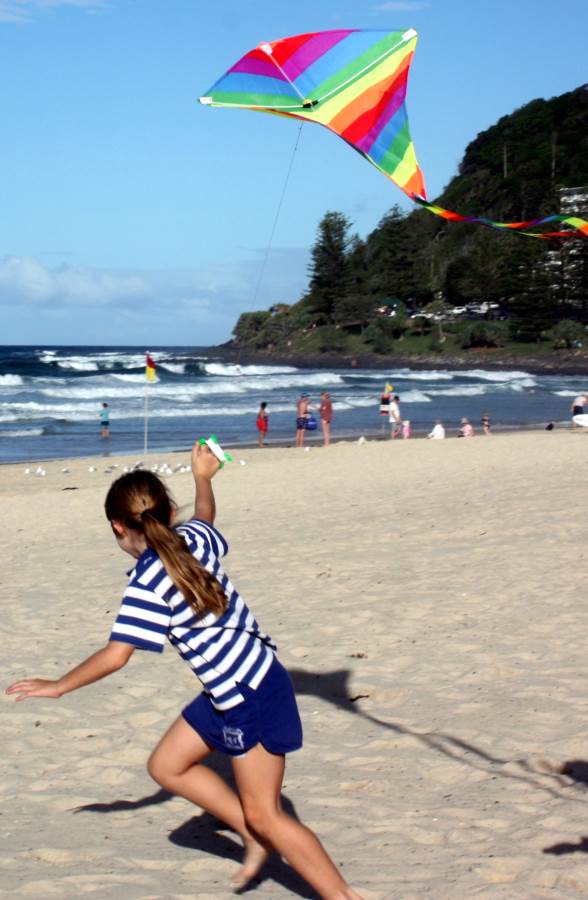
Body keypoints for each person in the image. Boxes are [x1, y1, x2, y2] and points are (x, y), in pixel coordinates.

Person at [6, 443, 362, 900]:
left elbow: (116, 655)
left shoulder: (146, 582)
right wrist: (203, 475)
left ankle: (341, 896)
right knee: (167, 766)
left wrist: (58, 686)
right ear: (170, 512)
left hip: (246, 693)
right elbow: (207, 514)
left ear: (118, 527)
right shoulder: (193, 539)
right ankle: (251, 836)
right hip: (239, 683)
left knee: (267, 814)